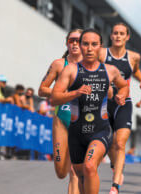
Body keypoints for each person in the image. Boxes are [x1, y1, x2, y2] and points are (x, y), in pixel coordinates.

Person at [51, 28, 129, 194]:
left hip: (100, 130)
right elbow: (54, 98)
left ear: (100, 47)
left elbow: (124, 86)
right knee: (80, 175)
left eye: (94, 44)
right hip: (76, 132)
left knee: (90, 166)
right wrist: (75, 92)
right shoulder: (71, 70)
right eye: (85, 44)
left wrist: (121, 96)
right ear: (80, 46)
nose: (89, 48)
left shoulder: (109, 70)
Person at [98, 22, 141, 193]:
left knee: (120, 143)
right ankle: (114, 165)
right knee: (110, 144)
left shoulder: (134, 56)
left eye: (121, 33)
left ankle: (115, 185)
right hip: (104, 103)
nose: (118, 36)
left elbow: (135, 70)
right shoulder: (102, 53)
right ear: (111, 36)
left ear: (127, 37)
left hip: (123, 103)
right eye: (115, 33)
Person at [38, 29, 83, 194]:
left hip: (83, 122)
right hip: (62, 120)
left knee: (75, 171)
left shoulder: (92, 66)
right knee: (61, 172)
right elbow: (41, 90)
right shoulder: (58, 64)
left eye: (79, 40)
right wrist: (62, 92)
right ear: (67, 43)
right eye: (72, 40)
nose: (75, 43)